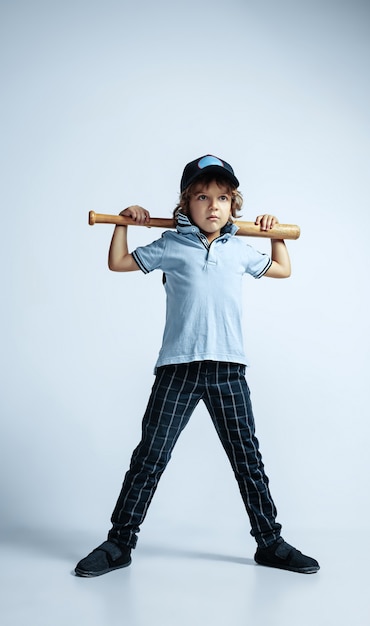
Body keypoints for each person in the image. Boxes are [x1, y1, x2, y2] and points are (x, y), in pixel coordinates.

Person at [75, 154, 319, 577]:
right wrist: (123, 224)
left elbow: (282, 268)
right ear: (186, 204)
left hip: (229, 370)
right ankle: (119, 544)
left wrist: (274, 232)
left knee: (248, 458)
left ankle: (270, 543)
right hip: (178, 369)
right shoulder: (170, 245)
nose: (213, 206)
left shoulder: (239, 248)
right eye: (202, 197)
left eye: (222, 198)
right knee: (150, 456)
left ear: (233, 205)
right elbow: (118, 263)